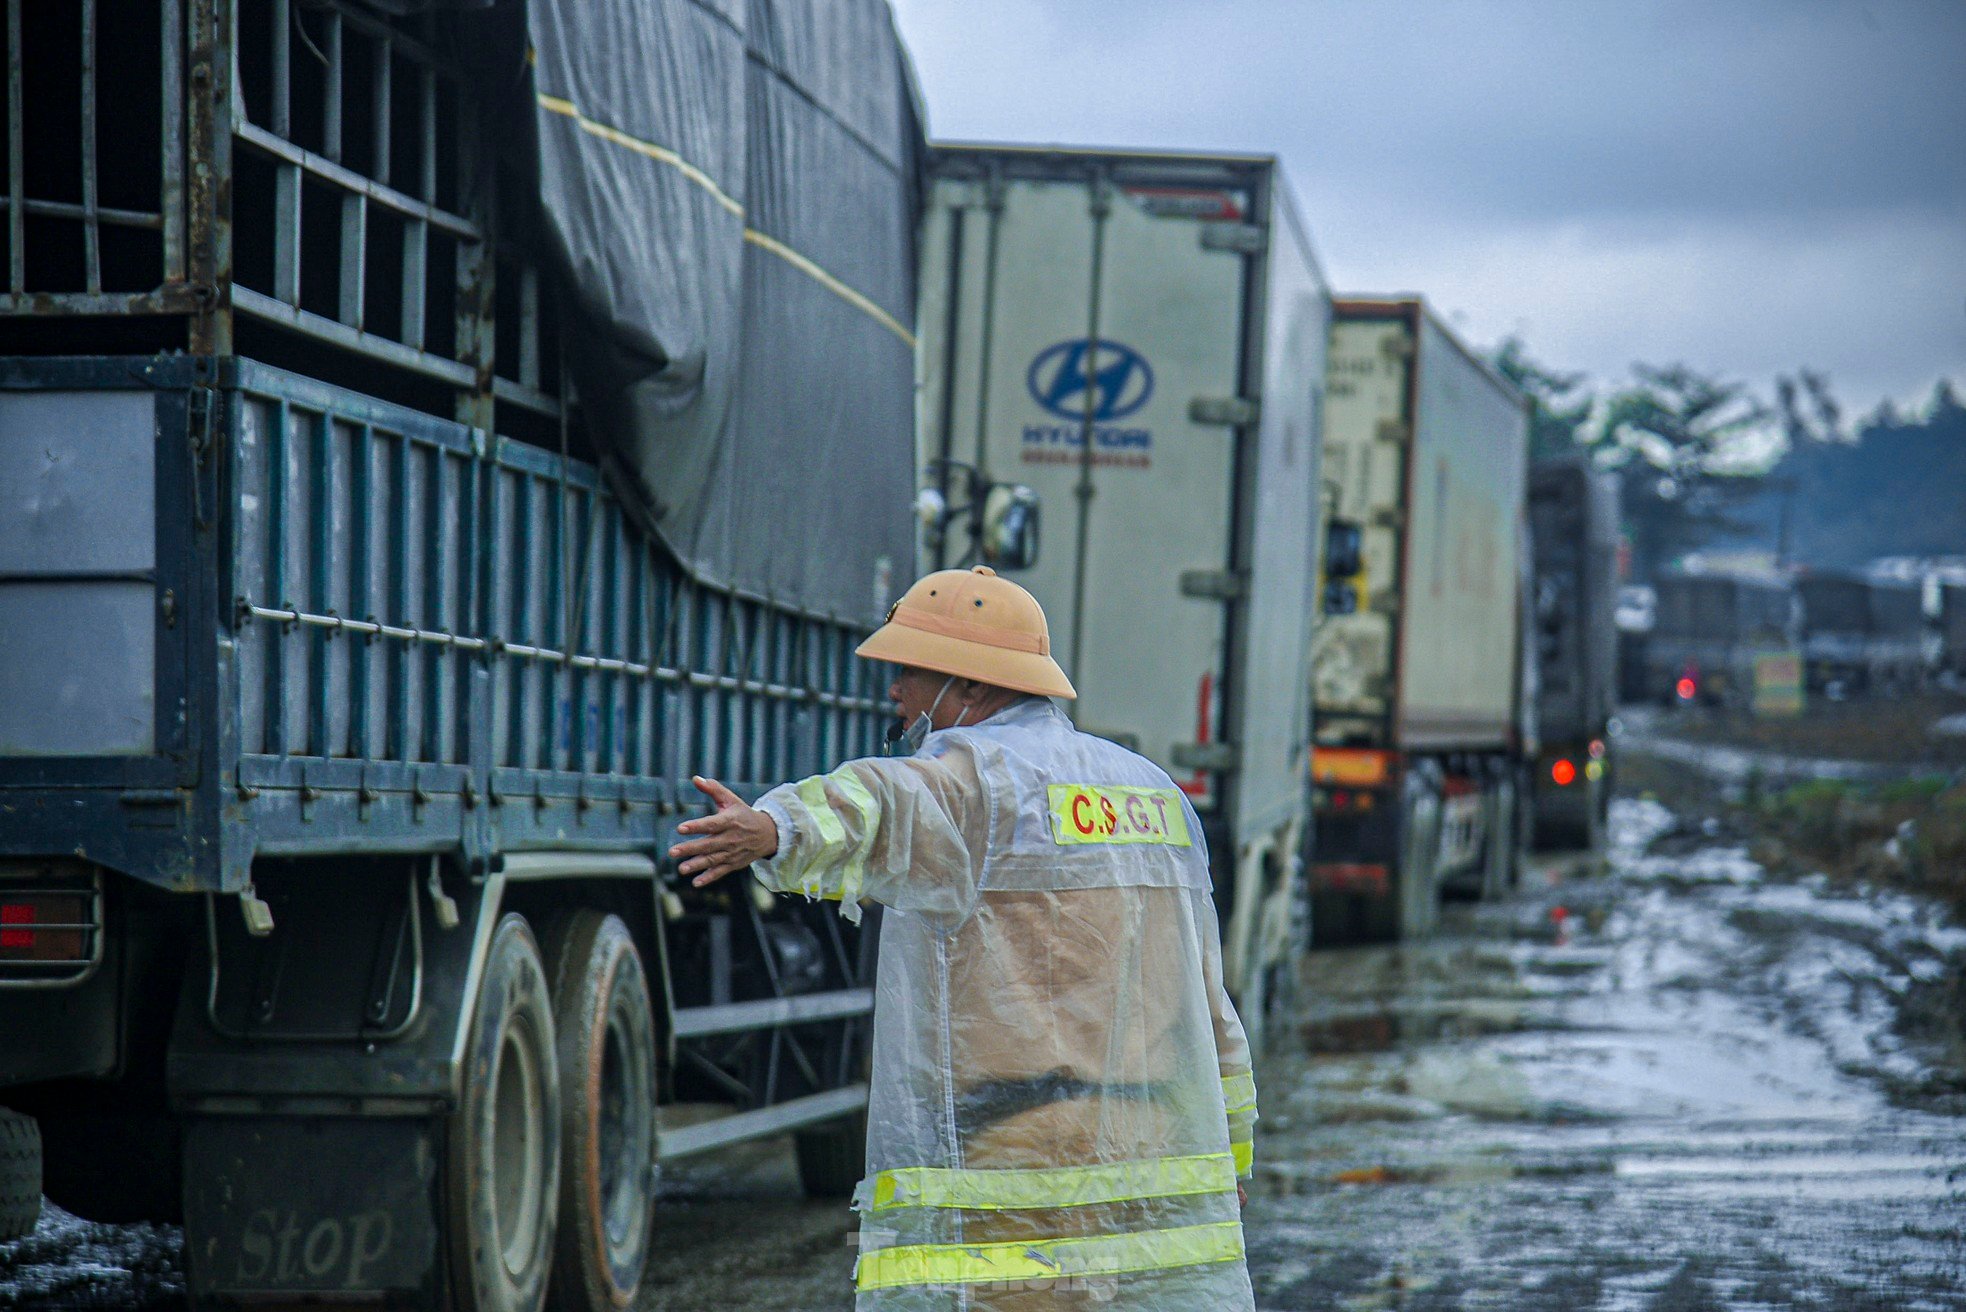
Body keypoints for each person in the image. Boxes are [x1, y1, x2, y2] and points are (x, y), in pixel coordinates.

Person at [671, 565, 1258, 1310]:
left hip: (1016, 1154)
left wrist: (774, 828)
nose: (895, 693)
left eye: (910, 672)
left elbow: (880, 801)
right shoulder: (1156, 794)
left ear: (972, 686)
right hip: (1152, 1143)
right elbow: (1210, 1012)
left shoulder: (979, 779)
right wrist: (1229, 1154)